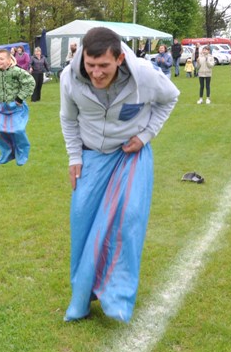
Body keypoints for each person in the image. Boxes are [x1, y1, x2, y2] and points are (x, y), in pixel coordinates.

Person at [59, 27, 179, 323]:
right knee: (83, 223)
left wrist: (147, 134)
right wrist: (75, 157)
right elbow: (68, 118)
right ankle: (83, 297)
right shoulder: (69, 78)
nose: (96, 73)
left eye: (104, 66)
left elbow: (170, 98)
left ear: (120, 59)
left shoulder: (145, 75)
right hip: (91, 156)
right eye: (90, 65)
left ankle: (117, 295)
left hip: (130, 154)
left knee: (128, 219)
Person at [0, 48, 36, 165]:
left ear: (8, 60)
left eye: (1, 59)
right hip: (0, 107)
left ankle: (22, 153)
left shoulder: (16, 71)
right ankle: (7, 152)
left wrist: (20, 97)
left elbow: (30, 82)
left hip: (15, 107)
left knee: (18, 130)